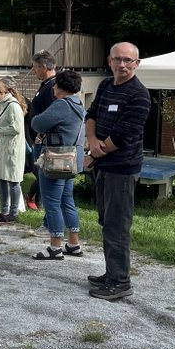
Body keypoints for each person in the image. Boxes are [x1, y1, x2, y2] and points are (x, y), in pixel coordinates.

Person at [84, 42, 151, 301]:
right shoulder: (105, 86)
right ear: (109, 61)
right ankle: (111, 273)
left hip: (122, 168)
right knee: (106, 220)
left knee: (117, 225)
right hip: (103, 166)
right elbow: (91, 115)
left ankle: (120, 282)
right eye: (117, 59)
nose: (122, 65)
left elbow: (125, 134)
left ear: (137, 63)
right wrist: (92, 141)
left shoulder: (139, 95)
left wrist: (95, 152)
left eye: (127, 60)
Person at [30, 70, 86, 260]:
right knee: (67, 200)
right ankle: (73, 244)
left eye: (55, 84)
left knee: (52, 203)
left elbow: (37, 123)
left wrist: (35, 118)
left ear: (60, 86)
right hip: (71, 160)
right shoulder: (78, 103)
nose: (53, 87)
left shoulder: (62, 104)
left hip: (56, 160)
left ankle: (55, 247)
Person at [0, 80, 27, 224]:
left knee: (13, 180)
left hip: (12, 149)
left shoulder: (13, 106)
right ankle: (4, 212)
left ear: (1, 93)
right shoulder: (4, 105)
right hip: (3, 147)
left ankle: (13, 213)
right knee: (1, 179)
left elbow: (16, 128)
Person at [26, 52, 58, 215]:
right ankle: (39, 204)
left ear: (44, 67)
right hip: (38, 141)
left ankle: (45, 213)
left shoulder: (53, 87)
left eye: (35, 67)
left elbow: (53, 114)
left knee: (46, 179)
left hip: (45, 141)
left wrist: (41, 135)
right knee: (42, 176)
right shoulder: (46, 84)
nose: (34, 71)